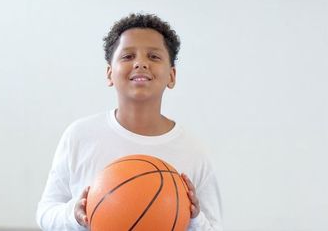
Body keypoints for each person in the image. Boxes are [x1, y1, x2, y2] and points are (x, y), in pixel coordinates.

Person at [36, 13, 222, 230]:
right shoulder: (79, 135)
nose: (140, 63)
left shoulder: (193, 150)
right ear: (109, 74)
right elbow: (45, 212)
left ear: (172, 76)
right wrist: (76, 215)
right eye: (127, 56)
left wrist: (194, 218)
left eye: (153, 56)